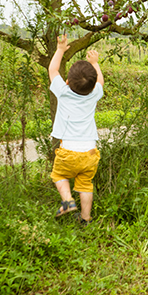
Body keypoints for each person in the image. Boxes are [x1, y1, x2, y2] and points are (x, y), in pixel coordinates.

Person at [48, 34, 104, 225]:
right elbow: (100, 83)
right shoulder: (94, 94)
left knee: (59, 175)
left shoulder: (63, 93)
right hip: (90, 152)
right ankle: (86, 219)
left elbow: (53, 69)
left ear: (67, 82)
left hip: (68, 151)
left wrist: (61, 49)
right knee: (85, 184)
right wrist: (95, 63)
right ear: (92, 84)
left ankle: (68, 201)